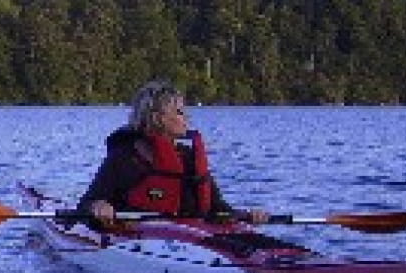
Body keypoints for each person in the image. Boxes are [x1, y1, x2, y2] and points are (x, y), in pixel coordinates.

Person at [78, 79, 267, 228]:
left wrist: (247, 216)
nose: (187, 118)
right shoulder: (124, 159)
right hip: (137, 240)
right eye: (179, 112)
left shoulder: (189, 158)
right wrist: (98, 206)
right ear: (157, 117)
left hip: (188, 242)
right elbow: (86, 204)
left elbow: (218, 210)